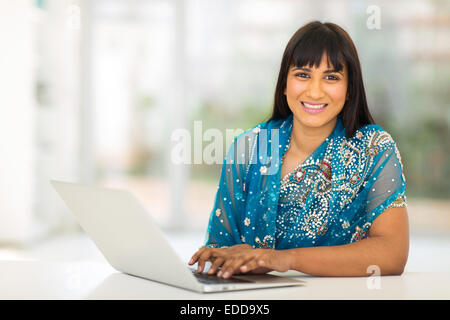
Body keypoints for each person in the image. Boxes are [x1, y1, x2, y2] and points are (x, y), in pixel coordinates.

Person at [189, 21, 409, 278]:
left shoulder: (374, 150)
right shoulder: (248, 149)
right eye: (303, 75)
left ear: (350, 89)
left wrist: (283, 259)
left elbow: (392, 254)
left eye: (331, 77)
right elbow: (221, 250)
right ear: (284, 84)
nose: (314, 91)